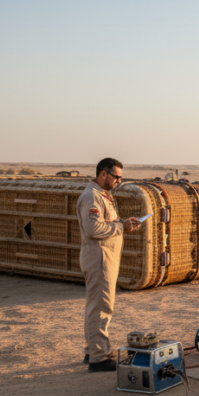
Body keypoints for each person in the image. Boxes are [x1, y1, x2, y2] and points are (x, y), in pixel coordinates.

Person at [77, 158, 142, 372]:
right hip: (99, 257)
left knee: (99, 304)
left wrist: (124, 224)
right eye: (116, 177)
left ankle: (94, 350)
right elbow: (93, 230)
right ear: (103, 174)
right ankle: (99, 357)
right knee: (101, 306)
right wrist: (121, 226)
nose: (119, 181)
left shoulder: (103, 195)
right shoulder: (92, 197)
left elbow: (107, 224)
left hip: (104, 256)